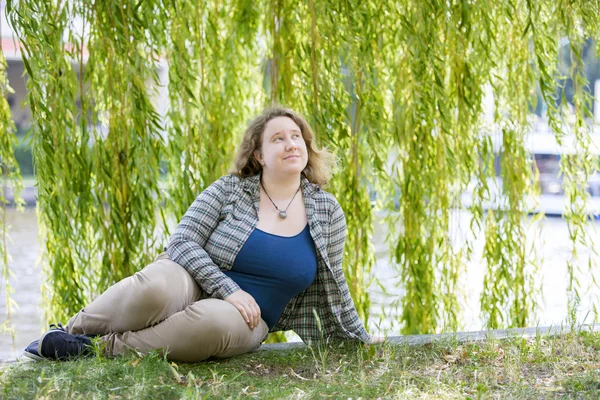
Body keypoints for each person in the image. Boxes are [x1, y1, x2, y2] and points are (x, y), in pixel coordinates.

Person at [23, 106, 371, 363]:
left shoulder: (327, 212)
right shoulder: (230, 189)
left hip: (249, 317)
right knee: (155, 288)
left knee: (211, 323)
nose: (291, 144)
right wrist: (228, 289)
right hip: (189, 277)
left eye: (297, 136)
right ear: (259, 155)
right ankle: (66, 334)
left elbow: (333, 283)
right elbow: (182, 240)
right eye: (278, 138)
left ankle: (99, 351)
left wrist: (362, 339)